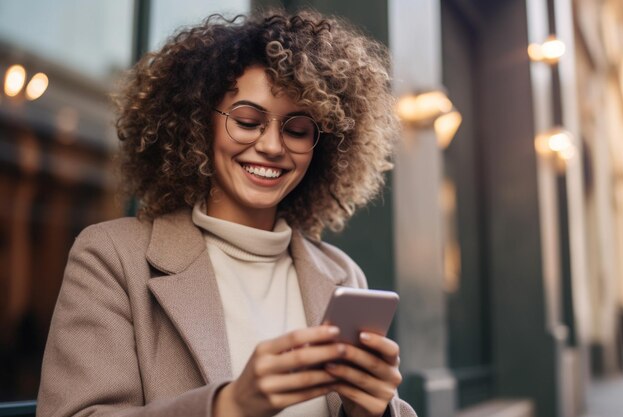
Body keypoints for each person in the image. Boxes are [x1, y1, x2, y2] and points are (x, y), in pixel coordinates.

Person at [37, 9, 417, 417]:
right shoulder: (112, 258)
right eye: (248, 121)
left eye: (296, 130)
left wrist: (373, 411)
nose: (272, 146)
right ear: (200, 126)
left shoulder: (342, 275)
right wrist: (230, 405)